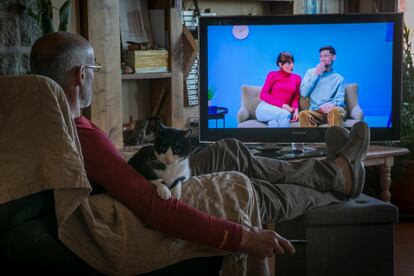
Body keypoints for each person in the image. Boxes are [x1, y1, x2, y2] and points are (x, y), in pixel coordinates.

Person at [30, 32, 369, 261]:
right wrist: (243, 237)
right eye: (94, 68)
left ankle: (336, 174)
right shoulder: (80, 136)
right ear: (80, 76)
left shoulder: (58, 121)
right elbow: (152, 206)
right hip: (152, 202)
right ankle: (338, 181)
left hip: (150, 183)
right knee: (252, 189)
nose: (95, 75)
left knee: (231, 150)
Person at [299, 46, 347, 127]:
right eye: (321, 56)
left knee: (335, 111)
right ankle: (311, 140)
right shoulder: (311, 72)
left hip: (333, 109)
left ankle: (336, 139)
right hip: (316, 111)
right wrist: (316, 75)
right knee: (303, 114)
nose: (322, 59)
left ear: (333, 57)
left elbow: (340, 100)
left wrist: (331, 104)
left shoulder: (339, 78)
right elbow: (304, 93)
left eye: (326, 56)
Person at [255, 52, 301, 127]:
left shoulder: (297, 78)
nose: (292, 65)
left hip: (279, 112)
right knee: (285, 114)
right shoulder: (272, 75)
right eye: (288, 63)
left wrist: (296, 110)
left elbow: (295, 98)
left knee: (274, 124)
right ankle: (288, 139)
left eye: (292, 62)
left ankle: (275, 139)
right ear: (280, 64)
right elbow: (263, 94)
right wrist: (283, 105)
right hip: (265, 108)